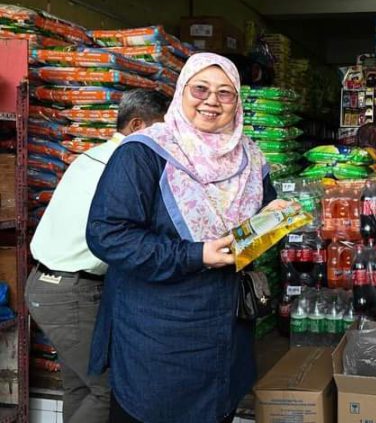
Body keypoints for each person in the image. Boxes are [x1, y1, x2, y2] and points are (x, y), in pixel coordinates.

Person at [85, 53, 292, 423]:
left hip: (225, 332)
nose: (211, 100)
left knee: (217, 410)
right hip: (158, 335)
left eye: (225, 93)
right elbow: (108, 235)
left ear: (237, 102)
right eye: (201, 88)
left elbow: (262, 220)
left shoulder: (249, 158)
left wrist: (277, 219)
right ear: (181, 91)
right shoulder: (144, 153)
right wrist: (197, 255)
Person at [25, 89, 168, 422]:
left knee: (80, 386)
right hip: (72, 291)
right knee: (109, 390)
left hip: (50, 284)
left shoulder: (92, 155)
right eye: (162, 131)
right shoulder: (124, 166)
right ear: (137, 125)